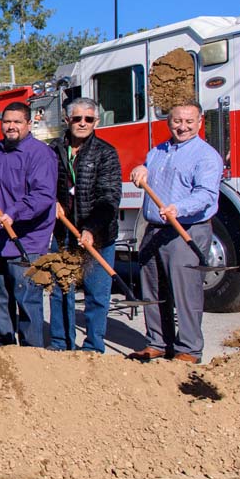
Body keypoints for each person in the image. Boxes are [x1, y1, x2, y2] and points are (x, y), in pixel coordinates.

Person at [130, 101, 223, 364]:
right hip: (154, 229)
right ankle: (158, 342)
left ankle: (189, 348)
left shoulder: (206, 156)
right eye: (177, 121)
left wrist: (178, 208)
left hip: (186, 230)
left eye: (189, 122)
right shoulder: (158, 151)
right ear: (168, 121)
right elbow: (148, 170)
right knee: (153, 290)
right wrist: (142, 168)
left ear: (200, 122)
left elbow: (206, 195)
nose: (182, 127)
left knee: (185, 292)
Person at [0, 101, 58, 347]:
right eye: (7, 122)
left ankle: (32, 352)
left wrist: (14, 212)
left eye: (17, 122)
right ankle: (4, 347)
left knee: (27, 299)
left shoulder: (40, 154)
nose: (11, 127)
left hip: (26, 241)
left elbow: (43, 195)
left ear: (28, 124)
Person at [48, 98, 121, 352]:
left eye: (88, 119)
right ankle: (60, 344)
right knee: (60, 292)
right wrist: (51, 203)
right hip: (63, 235)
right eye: (77, 118)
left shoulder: (106, 153)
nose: (82, 123)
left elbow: (109, 197)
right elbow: (43, 185)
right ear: (67, 120)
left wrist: (92, 228)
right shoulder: (53, 149)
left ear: (96, 121)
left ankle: (93, 347)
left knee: (96, 294)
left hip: (98, 235)